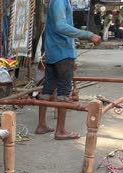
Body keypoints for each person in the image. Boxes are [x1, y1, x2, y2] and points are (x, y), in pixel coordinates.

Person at [35, 0, 101, 140]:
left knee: (47, 88)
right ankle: (60, 131)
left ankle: (41, 125)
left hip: (53, 51)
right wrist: (89, 35)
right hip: (62, 51)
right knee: (64, 90)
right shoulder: (59, 1)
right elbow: (60, 26)